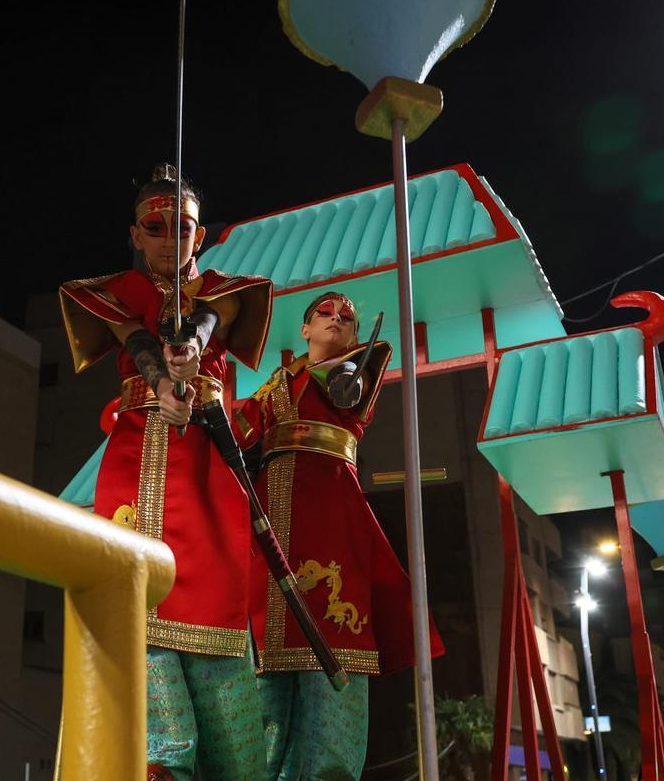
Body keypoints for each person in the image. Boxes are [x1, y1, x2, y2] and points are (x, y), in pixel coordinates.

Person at [58, 164, 272, 781]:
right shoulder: (113, 292)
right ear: (134, 232)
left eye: (181, 225)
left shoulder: (226, 292)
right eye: (156, 225)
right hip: (135, 462)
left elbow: (208, 322)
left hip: (209, 469)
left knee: (220, 626)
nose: (168, 235)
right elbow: (133, 336)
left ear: (199, 234)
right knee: (136, 613)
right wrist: (159, 376)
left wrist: (192, 351)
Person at [234, 292, 446, 780]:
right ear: (303, 330)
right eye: (324, 314)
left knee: (336, 672)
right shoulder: (276, 385)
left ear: (354, 336)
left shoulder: (355, 374)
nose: (335, 319)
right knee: (264, 683)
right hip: (268, 529)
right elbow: (239, 431)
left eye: (346, 318)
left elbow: (350, 395)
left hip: (334, 526)